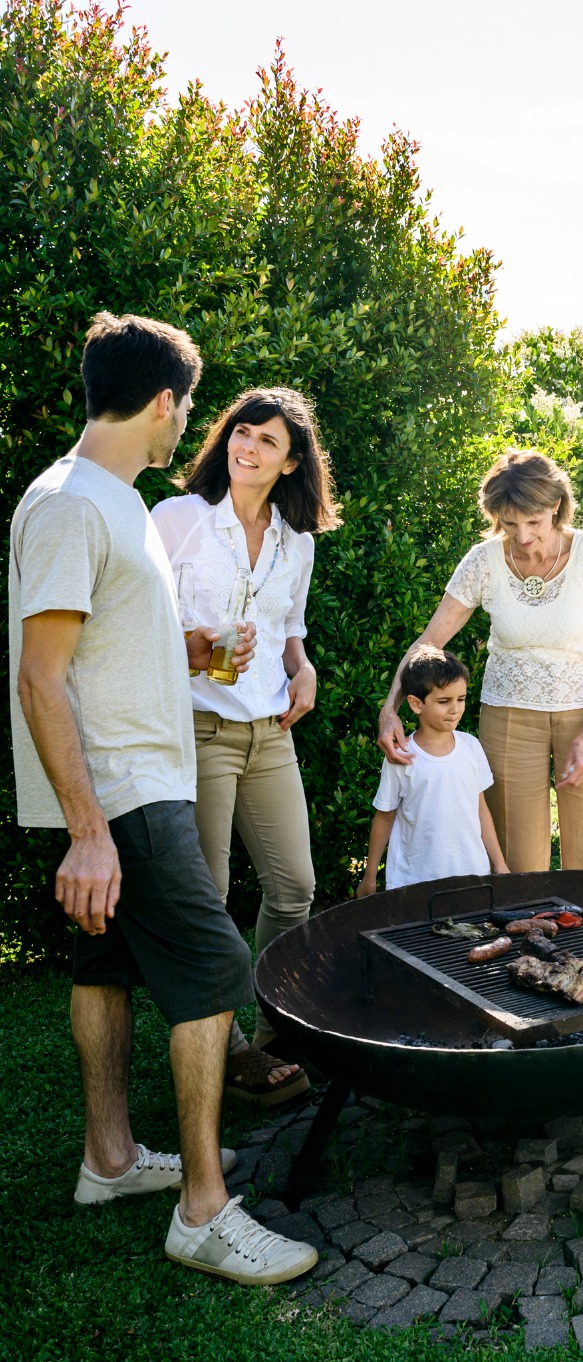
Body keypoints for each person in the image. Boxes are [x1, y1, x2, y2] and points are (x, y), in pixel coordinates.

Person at [9, 311, 316, 1284]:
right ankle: (204, 1210)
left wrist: (194, 648)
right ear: (161, 402)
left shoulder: (116, 501)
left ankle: (108, 1158)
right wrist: (90, 831)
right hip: (124, 790)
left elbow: (101, 648)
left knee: (103, 964)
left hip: (135, 780)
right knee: (218, 969)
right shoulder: (72, 505)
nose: (190, 425)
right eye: (188, 407)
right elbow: (39, 676)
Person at [152, 387, 340, 1106]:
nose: (247, 447)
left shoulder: (298, 542)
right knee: (210, 900)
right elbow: (135, 625)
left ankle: (273, 1030)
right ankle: (225, 1050)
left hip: (270, 732)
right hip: (200, 728)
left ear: (291, 463)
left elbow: (291, 629)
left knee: (295, 888)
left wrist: (304, 668)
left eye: (266, 440)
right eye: (241, 432)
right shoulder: (178, 520)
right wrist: (194, 645)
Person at [377, 450, 583, 872]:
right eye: (510, 524)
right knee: (515, 858)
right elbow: (429, 641)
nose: (523, 535)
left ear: (556, 506)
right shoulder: (484, 560)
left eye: (533, 522)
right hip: (510, 716)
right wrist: (390, 708)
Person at [359, 647, 509, 893]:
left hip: (472, 875)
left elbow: (481, 808)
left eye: (461, 699)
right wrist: (370, 876)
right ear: (416, 704)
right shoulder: (401, 755)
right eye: (444, 701)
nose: (455, 709)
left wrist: (500, 865)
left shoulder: (471, 747)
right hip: (414, 881)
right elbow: (385, 816)